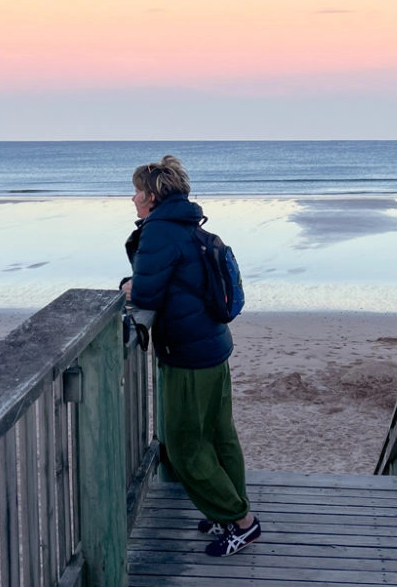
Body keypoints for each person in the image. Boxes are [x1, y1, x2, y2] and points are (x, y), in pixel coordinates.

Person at [120, 155, 260, 557]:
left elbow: (147, 294)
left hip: (187, 356)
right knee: (219, 435)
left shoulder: (159, 232)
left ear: (151, 196)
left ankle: (241, 521)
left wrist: (128, 286)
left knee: (184, 446)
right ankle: (227, 511)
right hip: (214, 346)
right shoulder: (190, 226)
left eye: (136, 192)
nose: (132, 199)